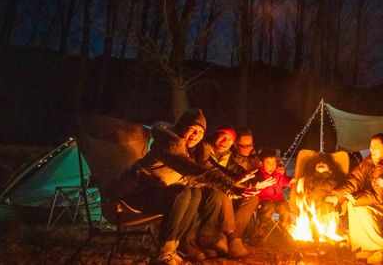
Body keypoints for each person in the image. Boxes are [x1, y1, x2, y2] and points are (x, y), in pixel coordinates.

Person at [113, 109, 245, 264]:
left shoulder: (187, 150)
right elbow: (193, 171)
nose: (196, 135)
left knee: (194, 193)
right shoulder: (168, 143)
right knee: (182, 193)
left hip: (155, 192)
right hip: (133, 194)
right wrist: (229, 187)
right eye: (192, 129)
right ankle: (164, 251)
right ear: (182, 127)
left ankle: (176, 245)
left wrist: (235, 185)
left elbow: (197, 176)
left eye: (200, 132)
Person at [325, 133, 383, 264]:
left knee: (361, 208)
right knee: (353, 205)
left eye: (376, 146)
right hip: (375, 201)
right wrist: (336, 196)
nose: (371, 149)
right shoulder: (368, 163)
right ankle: (361, 248)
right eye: (371, 146)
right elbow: (353, 180)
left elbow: (380, 195)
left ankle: (379, 250)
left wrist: (356, 199)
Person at [190, 126, 273, 258]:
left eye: (250, 145)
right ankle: (229, 238)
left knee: (253, 198)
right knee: (222, 192)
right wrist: (235, 186)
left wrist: (253, 183)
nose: (247, 148)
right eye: (222, 136)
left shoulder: (229, 154)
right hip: (206, 189)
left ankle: (228, 239)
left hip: (228, 189)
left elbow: (235, 171)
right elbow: (214, 171)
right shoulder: (206, 149)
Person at [254, 149, 296, 236]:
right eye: (269, 164)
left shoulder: (277, 173)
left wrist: (290, 181)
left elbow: (283, 181)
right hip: (264, 200)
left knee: (284, 207)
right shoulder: (258, 175)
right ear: (261, 164)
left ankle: (285, 227)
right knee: (269, 207)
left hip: (278, 199)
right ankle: (263, 228)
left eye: (274, 164)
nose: (272, 166)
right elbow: (254, 186)